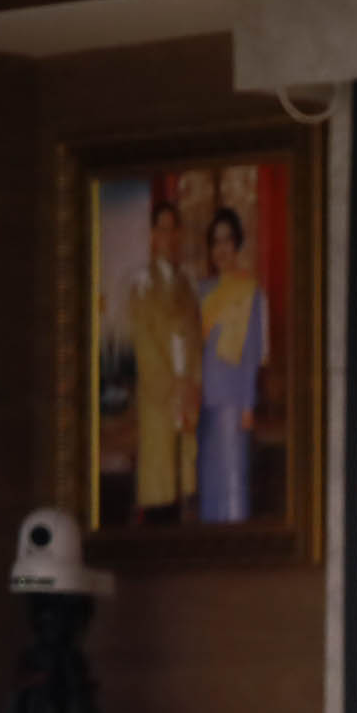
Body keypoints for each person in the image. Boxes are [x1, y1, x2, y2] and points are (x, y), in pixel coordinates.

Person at [126, 199, 201, 523]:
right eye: (162, 230)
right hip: (160, 396)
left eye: (174, 230)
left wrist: (191, 383)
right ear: (153, 235)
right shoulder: (142, 284)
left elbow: (196, 339)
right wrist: (171, 386)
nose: (169, 237)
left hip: (185, 394)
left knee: (184, 480)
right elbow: (144, 343)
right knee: (160, 483)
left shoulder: (187, 284)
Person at [195, 206, 268, 523]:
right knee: (209, 479)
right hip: (203, 400)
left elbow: (252, 353)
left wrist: (248, 406)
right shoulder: (202, 291)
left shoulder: (251, 292)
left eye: (227, 240)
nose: (221, 248)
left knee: (233, 479)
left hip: (233, 401)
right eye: (215, 241)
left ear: (237, 244)